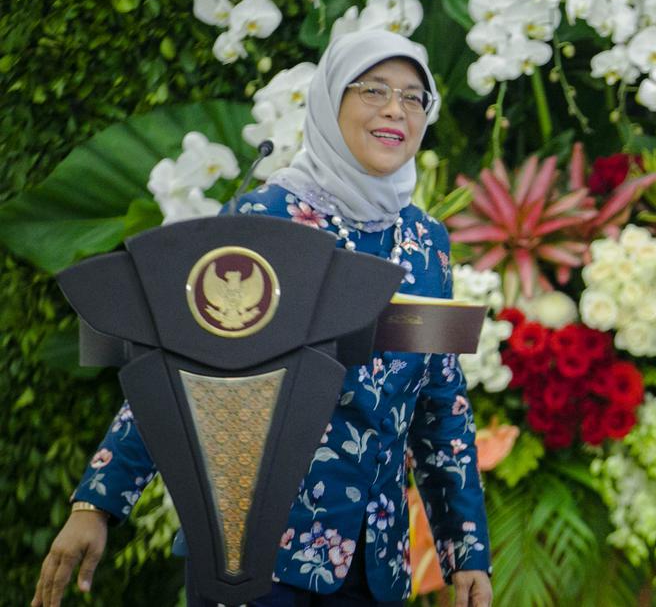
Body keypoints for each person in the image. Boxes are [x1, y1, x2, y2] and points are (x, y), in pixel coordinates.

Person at [32, 30, 493, 607]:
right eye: (373, 89)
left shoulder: (427, 241)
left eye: (413, 96)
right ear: (330, 101)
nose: (395, 109)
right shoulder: (260, 219)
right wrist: (97, 503)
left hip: (374, 568)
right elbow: (180, 368)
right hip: (251, 557)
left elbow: (439, 400)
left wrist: (465, 549)